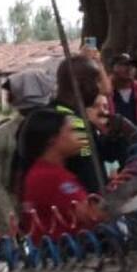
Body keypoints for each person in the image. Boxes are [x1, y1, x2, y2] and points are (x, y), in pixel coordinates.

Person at [0, 69, 54, 232]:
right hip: (60, 219)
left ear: (12, 98)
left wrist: (9, 225)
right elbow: (85, 155)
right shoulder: (71, 127)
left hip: (26, 217)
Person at [18, 109, 104, 236]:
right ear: (52, 140)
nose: (80, 136)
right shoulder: (51, 177)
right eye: (72, 131)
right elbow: (91, 215)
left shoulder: (43, 172)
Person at [51, 55, 107, 194]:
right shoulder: (71, 123)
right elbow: (87, 170)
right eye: (96, 81)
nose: (99, 88)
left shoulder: (73, 117)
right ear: (79, 83)